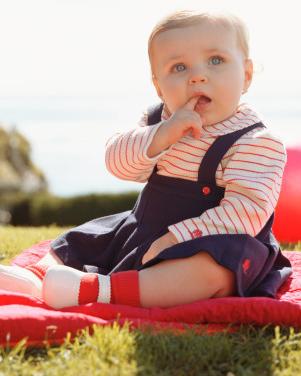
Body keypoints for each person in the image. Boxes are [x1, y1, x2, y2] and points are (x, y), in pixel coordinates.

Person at [0, 10, 292, 309]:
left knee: (212, 273)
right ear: (159, 87)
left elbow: (245, 214)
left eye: (216, 60)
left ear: (246, 75)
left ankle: (98, 291)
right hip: (146, 227)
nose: (198, 76)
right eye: (179, 67)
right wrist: (161, 136)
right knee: (88, 239)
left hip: (217, 238)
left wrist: (176, 238)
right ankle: (33, 278)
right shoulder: (159, 121)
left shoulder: (255, 142)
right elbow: (118, 163)